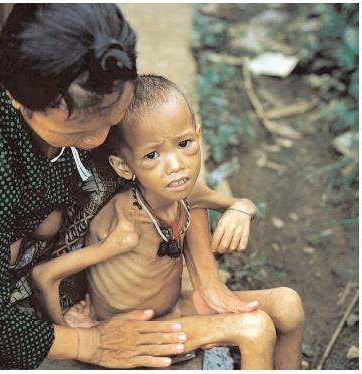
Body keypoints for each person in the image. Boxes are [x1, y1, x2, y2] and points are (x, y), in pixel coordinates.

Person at [0, 4, 272, 370]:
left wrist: (229, 225)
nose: (102, 137)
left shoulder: (91, 84)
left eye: (112, 114)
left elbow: (174, 179)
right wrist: (94, 343)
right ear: (19, 101)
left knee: (69, 206)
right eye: (82, 129)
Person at [31, 75, 305, 369]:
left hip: (173, 307)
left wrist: (241, 211)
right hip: (137, 329)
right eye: (152, 155)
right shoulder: (125, 221)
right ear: (124, 167)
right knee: (256, 329)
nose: (176, 165)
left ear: (198, 136)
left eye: (184, 144)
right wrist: (72, 337)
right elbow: (43, 276)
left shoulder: (186, 193)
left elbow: (239, 204)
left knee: (289, 304)